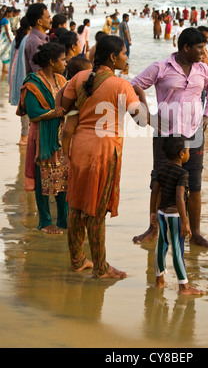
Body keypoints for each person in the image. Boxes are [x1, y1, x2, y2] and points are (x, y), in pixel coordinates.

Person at [60, 35, 148, 278]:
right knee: (96, 212)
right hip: (103, 151)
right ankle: (101, 267)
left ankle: (78, 260)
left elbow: (63, 106)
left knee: (76, 207)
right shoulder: (121, 85)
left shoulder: (78, 77)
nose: (126, 57)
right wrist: (141, 95)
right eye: (123, 53)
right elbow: (142, 121)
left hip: (79, 147)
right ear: (112, 57)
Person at [131, 28, 208, 248]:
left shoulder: (203, 70)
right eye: (199, 48)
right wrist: (146, 117)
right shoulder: (160, 67)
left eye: (204, 47)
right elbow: (132, 86)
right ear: (186, 48)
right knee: (160, 184)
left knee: (195, 184)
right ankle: (153, 229)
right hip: (166, 137)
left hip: (194, 136)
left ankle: (196, 232)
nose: (203, 52)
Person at [16, 42, 68, 234]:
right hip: (41, 138)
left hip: (62, 136)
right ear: (51, 62)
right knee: (43, 178)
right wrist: (56, 113)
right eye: (62, 59)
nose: (65, 62)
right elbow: (33, 113)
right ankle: (45, 221)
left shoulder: (62, 80)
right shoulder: (32, 84)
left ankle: (64, 219)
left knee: (64, 178)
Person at [152, 136, 205, 295]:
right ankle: (184, 286)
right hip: (175, 216)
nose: (189, 153)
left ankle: (159, 279)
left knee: (161, 245)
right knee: (177, 249)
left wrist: (153, 212)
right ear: (182, 154)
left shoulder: (161, 170)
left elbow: (155, 192)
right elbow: (179, 198)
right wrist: (185, 220)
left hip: (161, 213)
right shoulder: (183, 173)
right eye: (188, 150)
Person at [8, 16, 31, 145]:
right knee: (26, 106)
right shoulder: (28, 39)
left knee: (23, 106)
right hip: (22, 75)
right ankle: (24, 136)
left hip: (15, 74)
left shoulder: (18, 38)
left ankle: (24, 135)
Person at [24, 3, 52, 75]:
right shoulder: (35, 42)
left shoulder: (42, 38)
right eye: (48, 17)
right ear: (40, 22)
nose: (51, 20)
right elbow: (39, 72)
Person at [0, 7, 14, 73]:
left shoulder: (6, 19)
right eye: (11, 13)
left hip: (5, 39)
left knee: (5, 52)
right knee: (3, 51)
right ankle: (4, 68)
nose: (12, 14)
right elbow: (7, 31)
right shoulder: (5, 20)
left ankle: (4, 68)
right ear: (7, 13)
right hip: (4, 39)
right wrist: (10, 39)